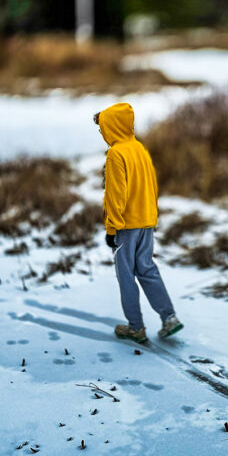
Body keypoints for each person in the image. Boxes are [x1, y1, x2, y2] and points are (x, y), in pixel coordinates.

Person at [94, 102, 183, 344]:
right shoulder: (139, 148)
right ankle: (169, 318)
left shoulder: (116, 153)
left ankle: (136, 327)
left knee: (126, 276)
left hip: (125, 226)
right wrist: (151, 216)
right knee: (147, 268)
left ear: (112, 127)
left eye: (102, 128)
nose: (101, 133)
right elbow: (152, 185)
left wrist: (112, 228)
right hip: (146, 221)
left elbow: (115, 195)